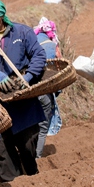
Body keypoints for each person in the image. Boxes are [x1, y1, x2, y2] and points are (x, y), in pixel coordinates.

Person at [0, 0, 46, 182]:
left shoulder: (22, 33)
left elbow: (39, 55)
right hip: (1, 104)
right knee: (3, 155)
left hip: (24, 103)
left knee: (28, 148)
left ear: (2, 16)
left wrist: (29, 76)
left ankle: (31, 180)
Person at [33, 17, 62, 157]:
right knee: (42, 127)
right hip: (44, 92)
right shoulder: (52, 46)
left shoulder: (30, 44)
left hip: (29, 90)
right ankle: (36, 157)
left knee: (30, 126)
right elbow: (60, 68)